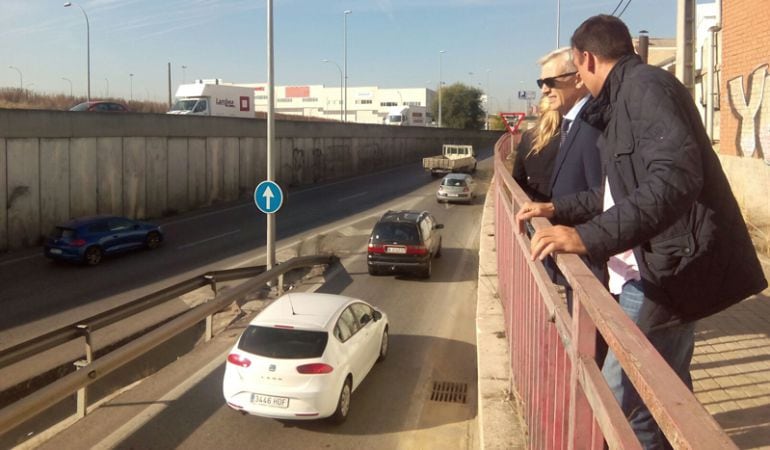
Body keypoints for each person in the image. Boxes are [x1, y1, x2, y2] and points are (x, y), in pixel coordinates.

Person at [515, 14, 767, 449]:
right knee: (659, 397)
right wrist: (558, 208)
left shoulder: (645, 89)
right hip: (655, 268)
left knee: (615, 398)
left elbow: (676, 178)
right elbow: (616, 192)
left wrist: (587, 237)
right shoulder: (626, 97)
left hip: (664, 273)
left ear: (587, 59)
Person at [536, 47, 605, 311]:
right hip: (578, 254)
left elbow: (604, 194)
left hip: (591, 260)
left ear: (577, 78)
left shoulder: (591, 124)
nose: (544, 89)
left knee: (589, 345)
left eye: (551, 82)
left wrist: (554, 208)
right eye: (541, 82)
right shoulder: (573, 121)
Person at [512, 96, 560, 202]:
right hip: (561, 205)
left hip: (534, 201)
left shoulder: (527, 137)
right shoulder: (567, 136)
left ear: (539, 113)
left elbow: (517, 176)